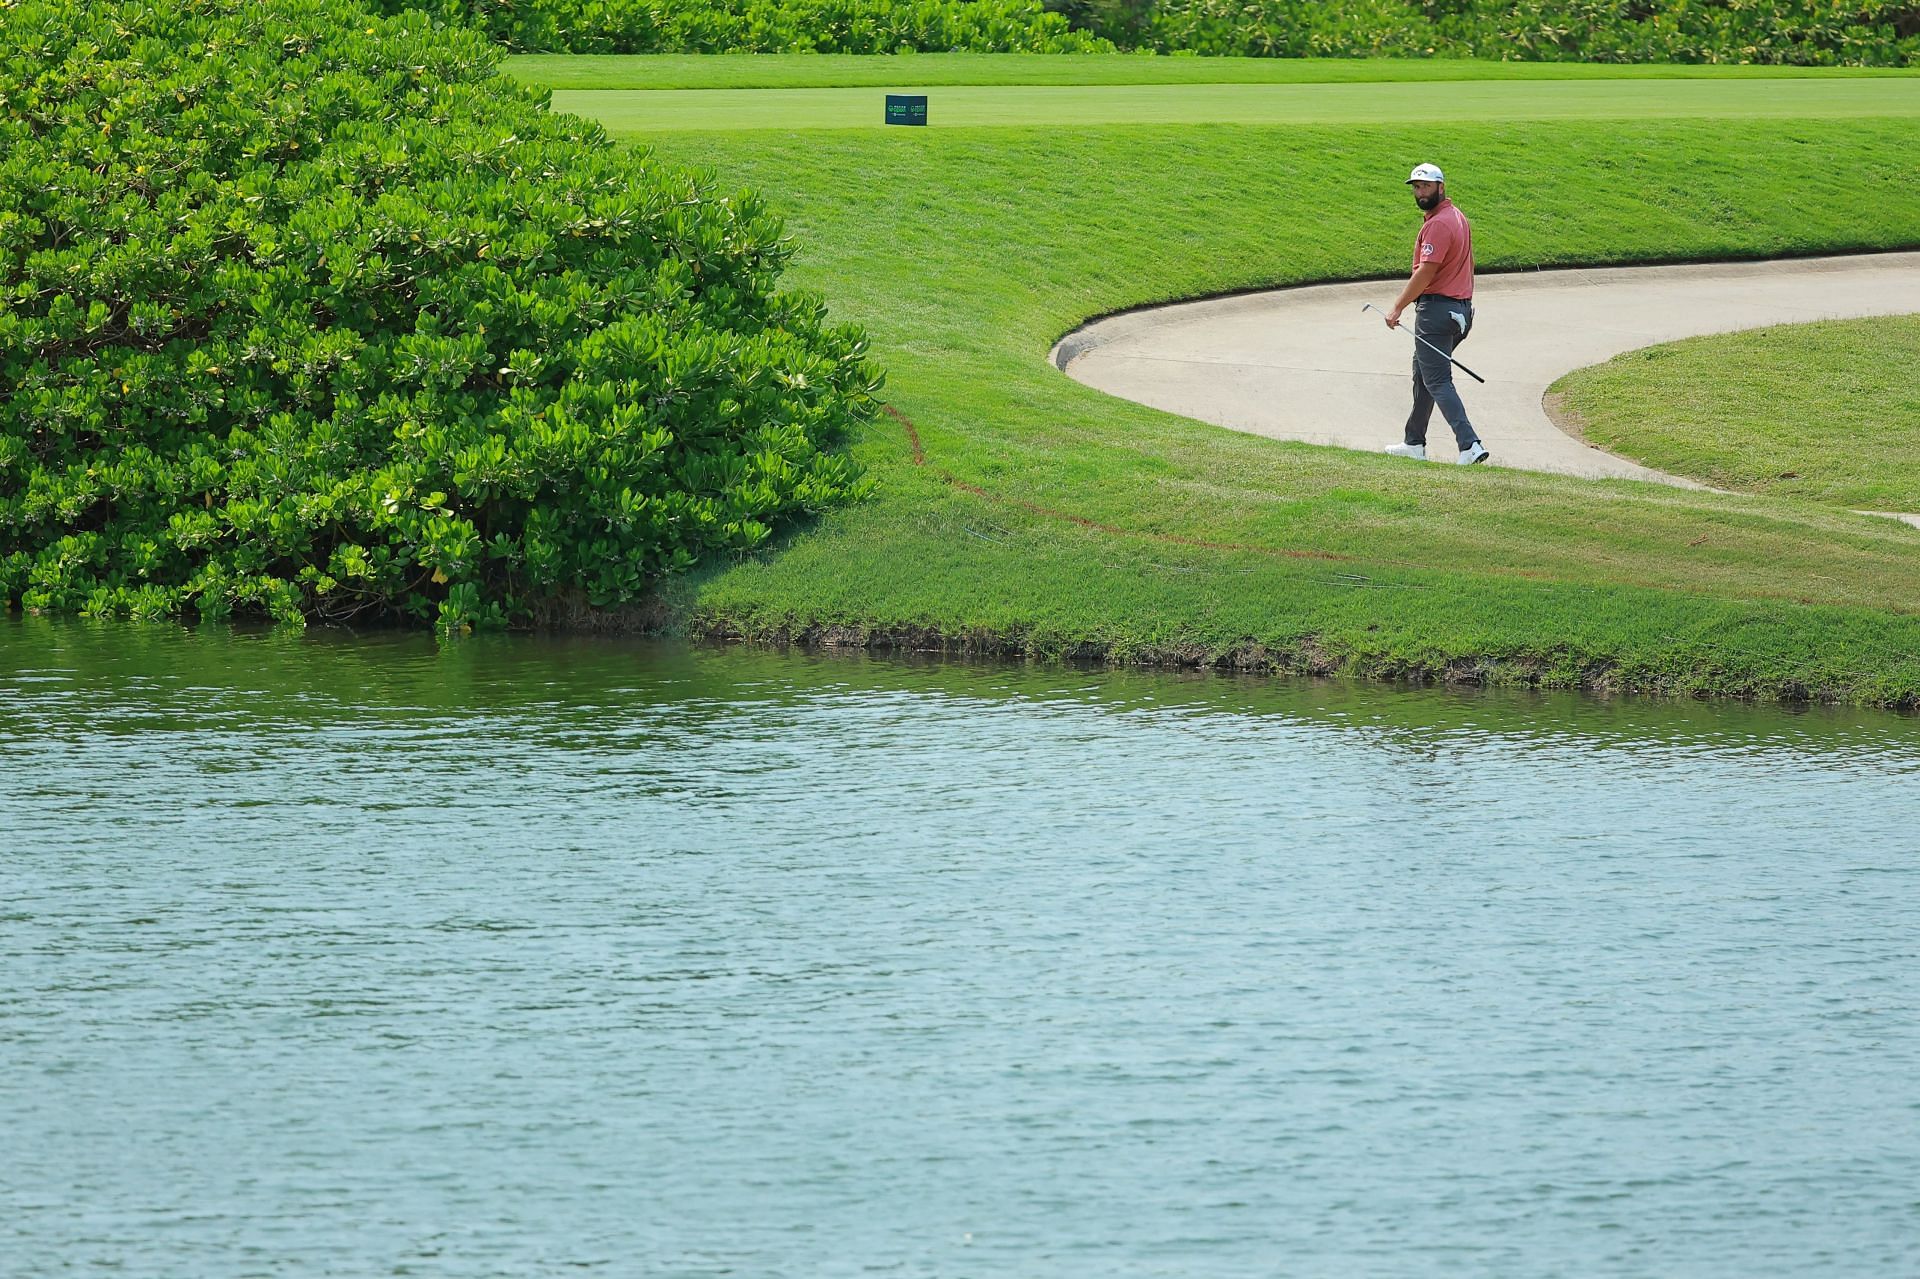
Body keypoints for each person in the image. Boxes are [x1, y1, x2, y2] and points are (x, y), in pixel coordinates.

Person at [1382, 163, 1489, 465]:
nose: (1420, 192)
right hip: (1459, 311)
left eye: (1426, 186)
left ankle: (1470, 444)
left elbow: (1425, 273)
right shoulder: (1457, 217)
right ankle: (1414, 442)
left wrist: (1397, 306)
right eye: (1416, 187)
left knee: (1438, 380)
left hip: (1437, 313)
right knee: (1424, 373)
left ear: (1441, 187)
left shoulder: (1438, 224)